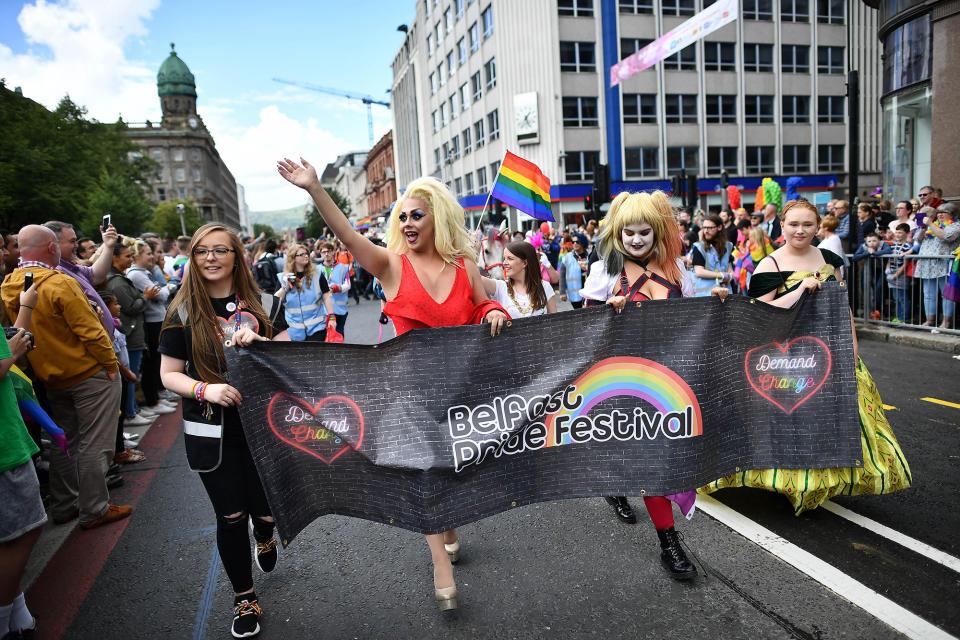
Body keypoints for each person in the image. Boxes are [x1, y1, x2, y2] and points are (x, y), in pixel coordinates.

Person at [278, 157, 509, 612]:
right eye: (401, 215)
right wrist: (314, 189)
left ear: (437, 217)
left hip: (461, 388)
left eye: (415, 214)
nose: (405, 222)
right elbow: (347, 234)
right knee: (425, 473)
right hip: (408, 393)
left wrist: (494, 312)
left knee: (455, 470)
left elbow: (480, 306)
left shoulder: (464, 262)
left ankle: (449, 525)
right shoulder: (389, 265)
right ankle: (439, 562)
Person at [701, 199, 911, 513]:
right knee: (791, 419)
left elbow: (843, 306)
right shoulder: (769, 265)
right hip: (784, 358)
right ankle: (786, 481)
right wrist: (799, 291)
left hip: (826, 352)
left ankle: (819, 480)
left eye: (808, 225)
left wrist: (851, 347)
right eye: (794, 224)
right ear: (781, 227)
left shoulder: (828, 258)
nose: (801, 231)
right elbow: (762, 316)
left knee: (832, 415)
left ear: (818, 228)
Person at [159, 223, 290, 639]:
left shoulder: (266, 302)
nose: (210, 258)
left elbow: (291, 358)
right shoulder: (181, 310)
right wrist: (205, 388)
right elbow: (168, 375)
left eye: (219, 250)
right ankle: (244, 597)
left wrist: (263, 343)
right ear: (193, 259)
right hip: (211, 431)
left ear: (237, 255)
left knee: (265, 510)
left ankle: (266, 534)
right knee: (231, 516)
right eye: (201, 252)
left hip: (264, 425)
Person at [580, 191, 716, 581]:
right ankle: (668, 542)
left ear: (657, 233)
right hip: (623, 381)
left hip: (668, 381)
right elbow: (584, 331)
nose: (636, 240)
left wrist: (718, 303)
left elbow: (692, 321)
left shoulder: (676, 271)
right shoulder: (605, 272)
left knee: (663, 460)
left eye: (644, 233)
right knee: (647, 464)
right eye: (628, 234)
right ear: (617, 235)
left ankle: (619, 485)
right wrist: (607, 313)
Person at [1, 225, 128, 530]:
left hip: (50, 376)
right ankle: (95, 508)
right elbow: (91, 332)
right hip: (88, 373)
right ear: (50, 248)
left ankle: (64, 504)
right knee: (95, 443)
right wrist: (111, 364)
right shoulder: (59, 282)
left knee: (63, 442)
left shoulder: (8, 284)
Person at [0, 300, 43, 640]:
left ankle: (17, 613)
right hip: (4, 449)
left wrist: (25, 307)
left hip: (10, 436)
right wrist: (9, 353)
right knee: (22, 533)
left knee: (15, 534)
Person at [103, 240, 162, 427]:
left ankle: (132, 409)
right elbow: (130, 307)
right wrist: (145, 297)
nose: (131, 259)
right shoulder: (118, 282)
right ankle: (130, 412)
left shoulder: (121, 278)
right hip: (130, 333)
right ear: (115, 258)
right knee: (130, 374)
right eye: (128, 256)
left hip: (132, 332)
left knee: (133, 373)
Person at [125, 239, 176, 417]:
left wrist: (163, 289)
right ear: (136, 256)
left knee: (156, 360)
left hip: (156, 319)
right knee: (152, 362)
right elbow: (161, 295)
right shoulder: (137, 275)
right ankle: (152, 401)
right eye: (148, 253)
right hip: (151, 322)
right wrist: (167, 288)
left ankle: (156, 397)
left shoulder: (144, 273)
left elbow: (159, 292)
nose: (152, 257)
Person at [914, 202, 960, 328]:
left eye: (943, 212)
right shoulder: (932, 225)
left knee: (946, 295)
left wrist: (929, 224)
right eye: (938, 212)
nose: (939, 214)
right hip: (927, 265)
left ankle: (946, 322)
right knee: (928, 294)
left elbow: (946, 236)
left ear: (951, 214)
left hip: (943, 266)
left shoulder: (956, 225)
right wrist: (923, 228)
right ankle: (930, 320)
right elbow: (917, 240)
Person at [482, 240, 557, 317]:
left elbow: (555, 323)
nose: (504, 263)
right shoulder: (500, 287)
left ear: (524, 263)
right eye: (504, 258)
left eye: (510, 258)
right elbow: (475, 278)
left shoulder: (545, 287)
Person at [277, 243, 335, 341]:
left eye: (307, 253)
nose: (306, 256)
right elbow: (275, 301)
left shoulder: (317, 273)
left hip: (317, 328)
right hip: (294, 331)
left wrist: (332, 317)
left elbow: (326, 296)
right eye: (302, 254)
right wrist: (284, 287)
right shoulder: (283, 278)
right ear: (293, 258)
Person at [690, 214, 734, 296]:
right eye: (704, 227)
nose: (706, 231)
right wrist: (720, 275)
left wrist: (730, 275)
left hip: (725, 293)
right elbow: (699, 272)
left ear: (719, 227)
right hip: (706, 294)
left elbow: (729, 267)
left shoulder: (728, 246)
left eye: (709, 228)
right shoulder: (699, 247)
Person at [851, 231, 891, 320]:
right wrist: (867, 253)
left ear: (878, 240)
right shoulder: (864, 246)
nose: (871, 243)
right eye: (869, 241)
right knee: (865, 289)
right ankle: (870, 312)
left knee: (879, 289)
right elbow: (855, 257)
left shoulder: (884, 244)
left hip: (881, 270)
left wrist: (874, 253)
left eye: (874, 241)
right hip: (869, 270)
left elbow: (888, 250)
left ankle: (879, 311)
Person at [317, 242, 351, 336]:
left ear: (333, 252)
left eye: (328, 251)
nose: (326, 254)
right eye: (323, 252)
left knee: (339, 335)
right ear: (321, 254)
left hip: (340, 309)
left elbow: (348, 284)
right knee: (326, 336)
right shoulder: (316, 269)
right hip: (323, 310)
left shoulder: (343, 267)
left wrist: (338, 288)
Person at [886, 223, 913, 323]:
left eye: (900, 232)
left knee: (902, 297)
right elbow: (889, 259)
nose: (897, 234)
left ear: (906, 234)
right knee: (896, 298)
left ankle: (904, 318)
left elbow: (906, 264)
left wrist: (897, 274)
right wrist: (887, 270)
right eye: (896, 232)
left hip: (900, 275)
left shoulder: (907, 246)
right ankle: (898, 316)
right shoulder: (893, 244)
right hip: (892, 274)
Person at [558, 233, 590, 308]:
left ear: (582, 242)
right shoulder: (567, 257)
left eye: (577, 242)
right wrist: (562, 292)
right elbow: (561, 276)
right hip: (575, 294)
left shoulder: (590, 256)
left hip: (589, 292)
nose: (575, 244)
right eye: (573, 242)